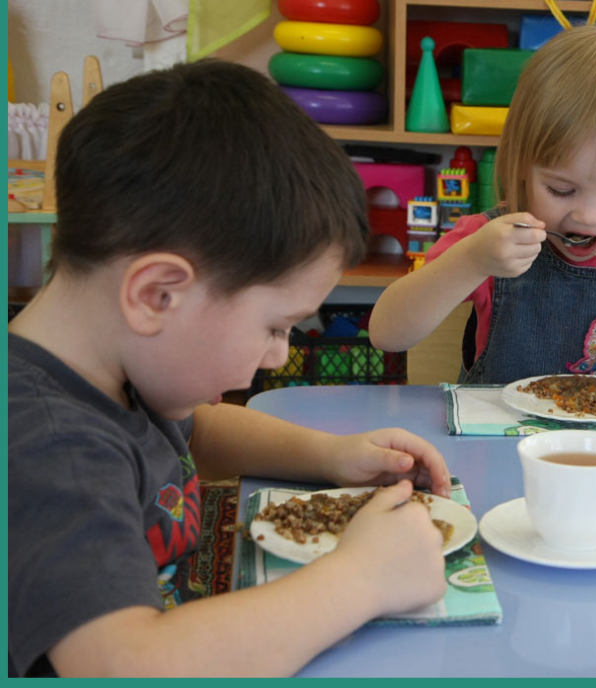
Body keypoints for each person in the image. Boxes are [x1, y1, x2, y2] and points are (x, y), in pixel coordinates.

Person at [8, 60, 453, 678]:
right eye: (274, 326)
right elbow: (123, 665)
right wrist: (362, 578)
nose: (280, 354)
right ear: (157, 294)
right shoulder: (51, 449)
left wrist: (334, 456)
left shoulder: (117, 366)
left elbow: (202, 429)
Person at [370, 23, 596, 396]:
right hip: (501, 433)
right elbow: (386, 333)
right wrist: (471, 261)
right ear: (521, 167)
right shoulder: (488, 242)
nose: (588, 216)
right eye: (561, 189)